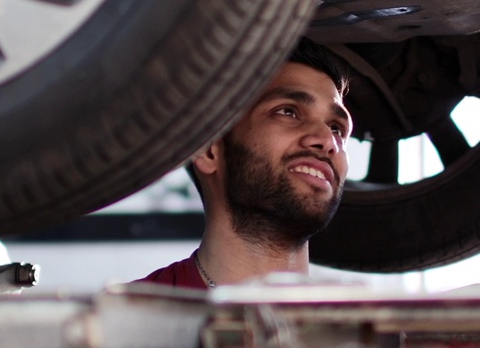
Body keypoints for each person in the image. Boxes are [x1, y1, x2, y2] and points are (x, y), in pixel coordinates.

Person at [138, 39, 352, 289]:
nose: (328, 141)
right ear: (209, 150)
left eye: (337, 128)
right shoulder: (126, 321)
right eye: (288, 112)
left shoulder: (367, 325)